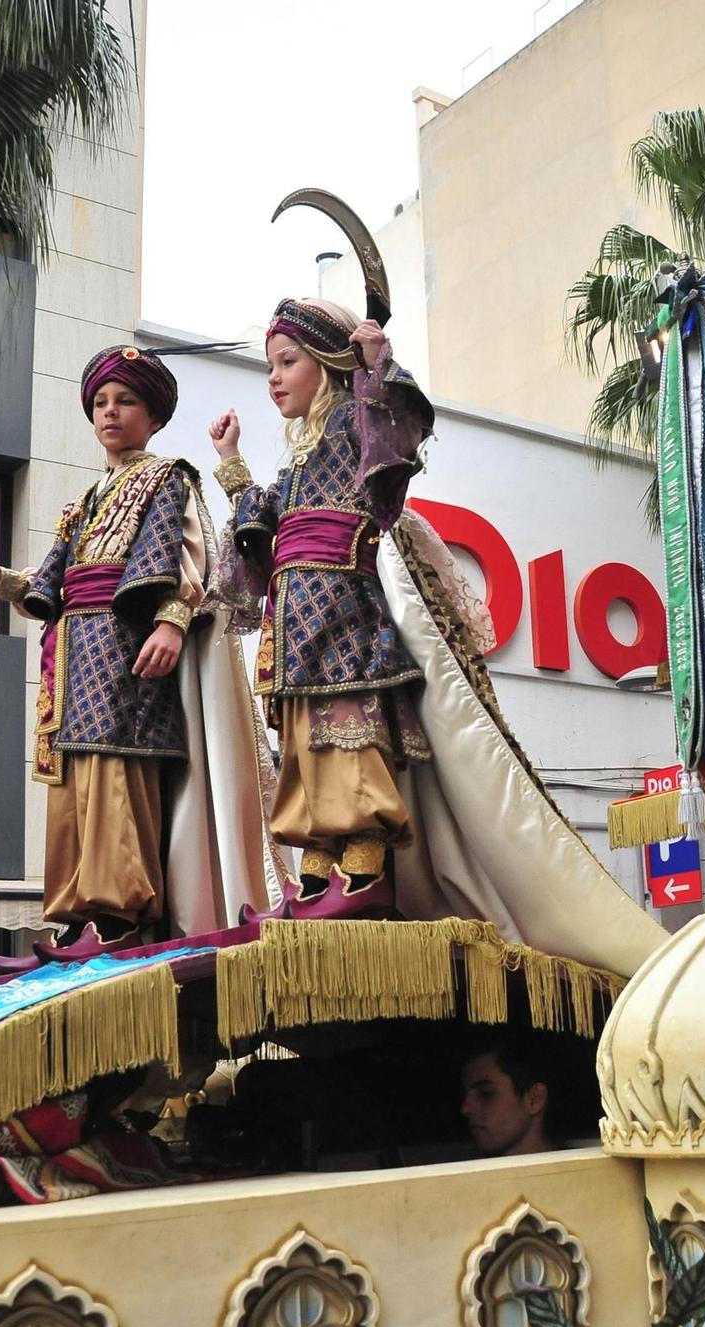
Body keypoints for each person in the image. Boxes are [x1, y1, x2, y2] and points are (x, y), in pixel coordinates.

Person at [0, 345, 268, 950]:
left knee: (117, 771)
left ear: (154, 416)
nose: (110, 412)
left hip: (127, 648)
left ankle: (122, 915)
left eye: (126, 401)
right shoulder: (82, 504)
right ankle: (78, 917)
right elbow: (49, 583)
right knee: (75, 778)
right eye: (100, 402)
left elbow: (191, 559)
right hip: (73, 655)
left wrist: (171, 623)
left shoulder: (168, 476)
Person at [212, 298, 435, 909]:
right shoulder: (299, 459)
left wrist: (373, 364)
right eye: (269, 368)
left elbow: (395, 425)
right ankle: (316, 864)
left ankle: (364, 858)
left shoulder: (354, 426)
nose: (275, 378)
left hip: (344, 608)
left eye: (287, 361)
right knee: (306, 738)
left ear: (328, 362)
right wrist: (232, 463)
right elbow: (258, 521)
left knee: (349, 727)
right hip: (295, 617)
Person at [460, 1037, 557, 1157]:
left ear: (535, 1099)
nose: (465, 1109)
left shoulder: (578, 1171)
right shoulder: (458, 1169)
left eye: (486, 1094)